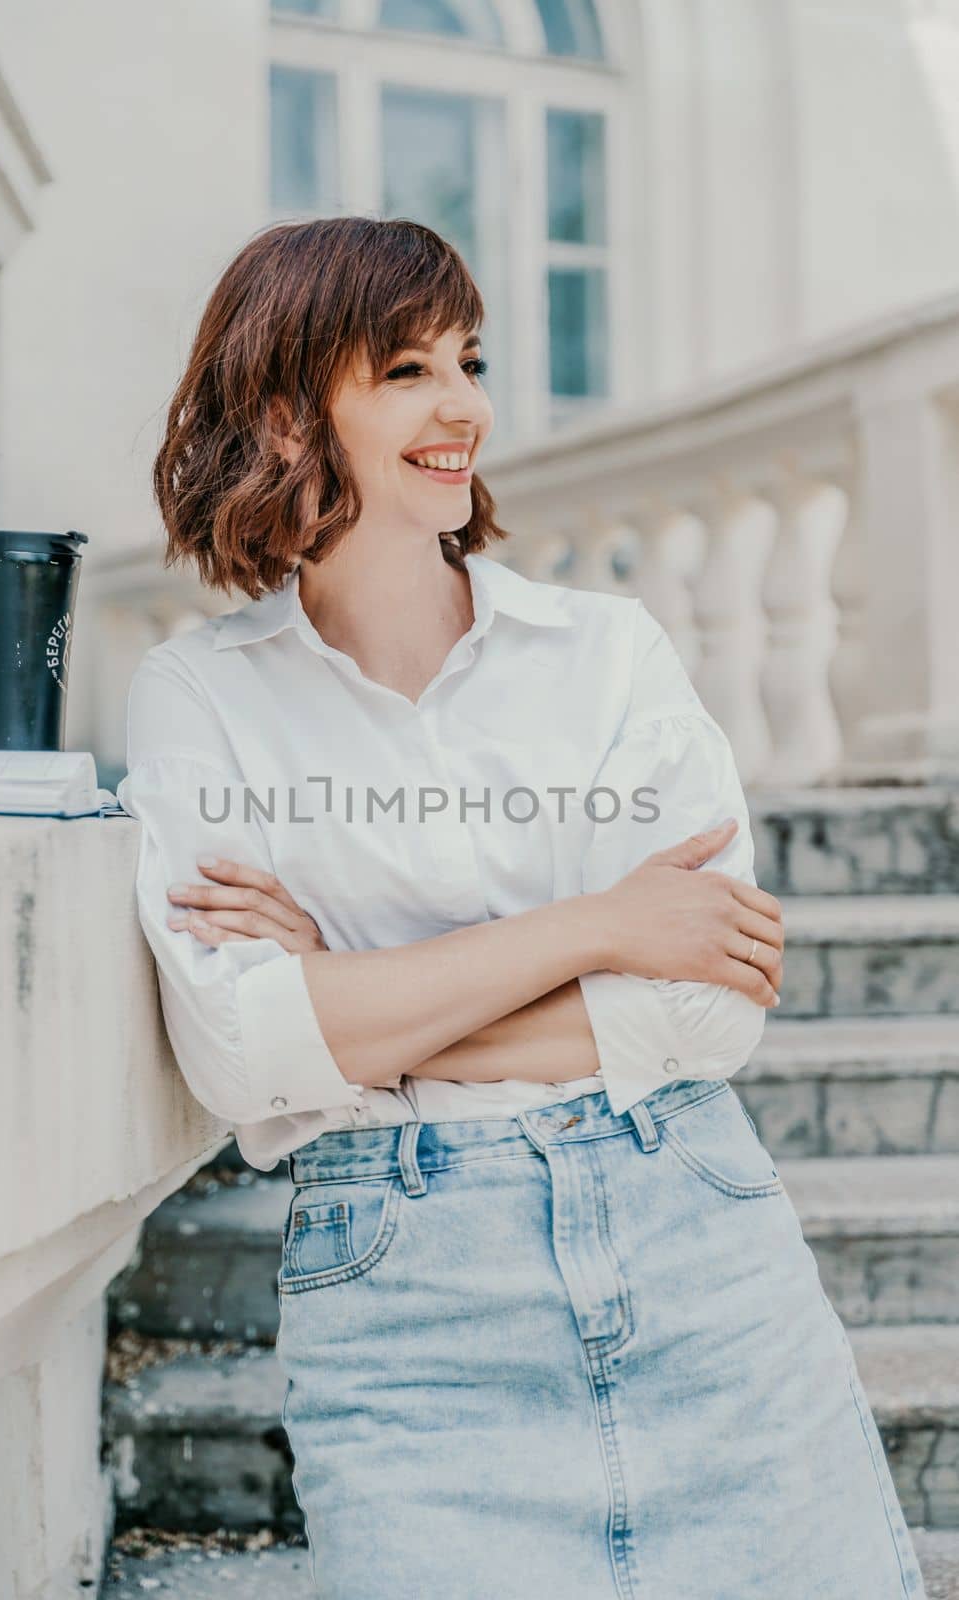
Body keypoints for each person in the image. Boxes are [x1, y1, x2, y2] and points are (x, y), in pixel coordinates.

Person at [117, 216, 926, 1599]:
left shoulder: (606, 655)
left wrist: (357, 1001)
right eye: (409, 370)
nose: (467, 408)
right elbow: (242, 1058)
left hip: (703, 1255)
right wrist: (595, 927)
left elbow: (703, 1005)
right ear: (289, 410)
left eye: (470, 361)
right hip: (407, 1313)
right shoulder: (203, 697)